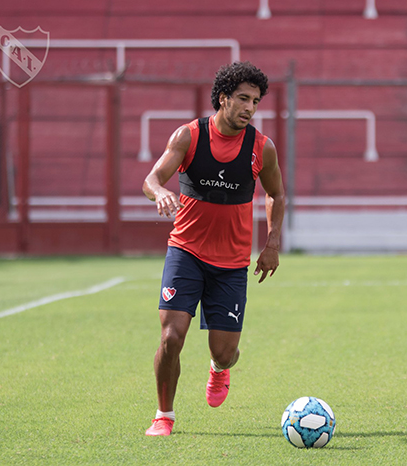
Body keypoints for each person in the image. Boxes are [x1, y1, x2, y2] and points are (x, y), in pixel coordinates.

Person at [142, 61, 285, 436]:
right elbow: (152, 179)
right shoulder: (189, 136)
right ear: (223, 98)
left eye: (255, 101)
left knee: (224, 351)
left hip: (232, 264)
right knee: (171, 337)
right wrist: (160, 193)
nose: (250, 108)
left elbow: (276, 194)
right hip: (186, 252)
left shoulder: (261, 148)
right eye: (243, 98)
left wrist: (272, 242)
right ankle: (163, 415)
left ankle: (219, 369)